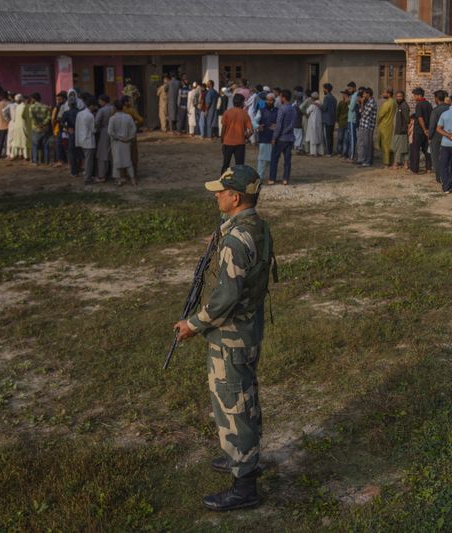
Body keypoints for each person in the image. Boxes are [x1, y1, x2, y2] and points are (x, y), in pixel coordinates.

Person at [173, 164, 275, 512]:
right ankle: (242, 453)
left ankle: (244, 484)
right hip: (250, 327)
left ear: (235, 197)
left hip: (231, 334)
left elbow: (224, 299)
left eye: (221, 191)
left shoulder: (236, 240)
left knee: (233, 402)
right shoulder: (255, 226)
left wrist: (193, 324)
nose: (216, 195)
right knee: (244, 396)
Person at [220, 94, 253, 173]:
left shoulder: (227, 112)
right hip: (240, 143)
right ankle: (239, 182)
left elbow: (223, 128)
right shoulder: (245, 114)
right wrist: (245, 137)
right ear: (242, 103)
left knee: (226, 164)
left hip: (228, 142)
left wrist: (222, 139)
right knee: (240, 165)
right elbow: (251, 131)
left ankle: (222, 181)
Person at [269, 89, 296, 186]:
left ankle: (272, 178)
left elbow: (279, 125)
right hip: (290, 137)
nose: (279, 99)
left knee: (274, 158)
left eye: (280, 97)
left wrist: (274, 137)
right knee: (287, 160)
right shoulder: (293, 109)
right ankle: (285, 179)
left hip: (281, 138)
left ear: (283, 98)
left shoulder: (282, 109)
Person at [108, 99, 137, 186]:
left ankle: (118, 180)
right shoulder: (128, 117)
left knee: (117, 161)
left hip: (116, 143)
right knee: (128, 161)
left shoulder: (112, 118)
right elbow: (134, 129)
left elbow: (110, 132)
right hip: (126, 142)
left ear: (114, 108)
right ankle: (133, 180)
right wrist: (128, 138)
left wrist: (118, 138)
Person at [409, 87, 432, 174]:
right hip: (427, 130)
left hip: (419, 130)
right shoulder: (428, 104)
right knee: (426, 150)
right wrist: (428, 129)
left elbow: (420, 118)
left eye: (415, 96)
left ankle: (414, 169)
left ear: (419, 95)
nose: (414, 97)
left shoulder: (419, 104)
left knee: (415, 149)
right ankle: (428, 168)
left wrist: (424, 129)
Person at [75, 98, 98, 185]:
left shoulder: (80, 113)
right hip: (89, 141)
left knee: (86, 160)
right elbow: (93, 130)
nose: (95, 108)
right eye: (94, 106)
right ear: (91, 106)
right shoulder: (90, 116)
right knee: (89, 161)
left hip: (81, 139)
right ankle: (87, 178)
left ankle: (87, 176)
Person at [428, 90, 449, 183]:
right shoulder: (450, 108)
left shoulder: (436, 111)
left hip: (437, 136)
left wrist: (429, 136)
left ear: (437, 98)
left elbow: (432, 125)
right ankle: (447, 175)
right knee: (447, 156)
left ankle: (439, 176)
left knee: (436, 156)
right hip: (449, 136)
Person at [256, 93, 278, 179]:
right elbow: (255, 121)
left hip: (274, 138)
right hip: (264, 137)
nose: (269, 101)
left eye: (271, 100)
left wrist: (277, 126)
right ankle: (259, 177)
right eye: (268, 100)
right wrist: (258, 126)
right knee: (262, 159)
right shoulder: (261, 110)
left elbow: (281, 122)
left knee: (272, 160)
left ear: (274, 101)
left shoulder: (278, 111)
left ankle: (271, 177)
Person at [122, 96, 144, 178]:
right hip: (131, 136)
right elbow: (140, 120)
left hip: (121, 137)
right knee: (133, 156)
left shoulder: (118, 111)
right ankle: (133, 174)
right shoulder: (131, 110)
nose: (131, 102)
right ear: (126, 102)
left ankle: (123, 174)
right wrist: (134, 123)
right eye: (129, 101)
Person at [27, 93, 52, 165]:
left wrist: (38, 124)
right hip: (45, 128)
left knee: (35, 145)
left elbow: (32, 117)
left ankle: (35, 161)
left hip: (36, 128)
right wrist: (43, 124)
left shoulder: (31, 107)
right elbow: (49, 117)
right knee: (45, 145)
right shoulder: (46, 107)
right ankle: (46, 161)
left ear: (34, 99)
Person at [95, 95, 114, 181]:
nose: (99, 103)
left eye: (100, 101)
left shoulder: (102, 110)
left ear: (103, 101)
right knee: (113, 153)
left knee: (103, 155)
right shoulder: (114, 108)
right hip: (114, 132)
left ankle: (102, 175)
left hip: (104, 132)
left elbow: (96, 122)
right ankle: (114, 174)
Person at [356, 88, 377, 167]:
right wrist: (362, 104)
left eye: (365, 94)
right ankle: (363, 159)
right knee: (363, 144)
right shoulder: (367, 102)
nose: (363, 95)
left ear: (368, 94)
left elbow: (364, 114)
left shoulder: (372, 103)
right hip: (363, 125)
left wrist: (362, 103)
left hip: (368, 126)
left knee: (367, 144)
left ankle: (367, 161)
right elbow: (360, 111)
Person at [62, 96, 81, 178]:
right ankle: (80, 169)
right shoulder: (80, 112)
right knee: (80, 152)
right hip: (80, 133)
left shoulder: (66, 113)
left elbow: (61, 123)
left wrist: (68, 128)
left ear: (68, 105)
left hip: (72, 134)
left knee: (72, 153)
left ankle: (74, 171)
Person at [391, 91, 411, 170]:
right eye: (397, 96)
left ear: (403, 97)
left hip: (401, 130)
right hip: (400, 130)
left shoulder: (404, 106)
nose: (399, 98)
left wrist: (406, 129)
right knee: (404, 148)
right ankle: (405, 164)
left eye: (400, 96)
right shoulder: (399, 105)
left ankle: (396, 164)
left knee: (398, 147)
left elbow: (407, 119)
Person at [377, 88, 396, 166]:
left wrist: (378, 122)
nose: (383, 94)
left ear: (388, 94)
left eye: (385, 92)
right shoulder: (394, 102)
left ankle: (386, 162)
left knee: (385, 145)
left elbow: (381, 114)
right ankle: (391, 161)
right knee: (390, 144)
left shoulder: (387, 103)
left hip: (384, 125)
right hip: (391, 125)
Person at [9, 94, 29, 160]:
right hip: (23, 126)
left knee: (17, 141)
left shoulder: (18, 107)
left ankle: (15, 155)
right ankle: (25, 156)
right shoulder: (24, 106)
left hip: (17, 126)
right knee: (23, 141)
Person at [305, 92, 324, 157]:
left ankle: (314, 153)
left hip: (313, 123)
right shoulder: (321, 103)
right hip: (319, 122)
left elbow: (307, 111)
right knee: (319, 136)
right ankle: (320, 152)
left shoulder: (312, 105)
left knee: (313, 137)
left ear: (313, 98)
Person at [320, 83, 337, 156]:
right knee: (331, 136)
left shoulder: (326, 97)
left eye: (324, 88)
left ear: (326, 89)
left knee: (327, 136)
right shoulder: (334, 98)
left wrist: (318, 105)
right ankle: (330, 151)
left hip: (327, 119)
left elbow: (324, 108)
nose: (323, 90)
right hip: (332, 119)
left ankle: (329, 152)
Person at [345, 82, 359, 160]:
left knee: (352, 139)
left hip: (352, 120)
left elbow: (351, 108)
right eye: (348, 89)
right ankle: (351, 155)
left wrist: (348, 102)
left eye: (350, 89)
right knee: (351, 138)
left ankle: (352, 156)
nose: (349, 90)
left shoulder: (355, 96)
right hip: (350, 119)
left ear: (354, 88)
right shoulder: (353, 96)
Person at [335, 91, 349, 157]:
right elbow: (337, 112)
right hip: (344, 123)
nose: (343, 96)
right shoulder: (342, 103)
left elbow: (337, 112)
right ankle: (342, 152)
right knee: (343, 139)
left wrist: (337, 120)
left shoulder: (344, 103)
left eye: (344, 95)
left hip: (343, 123)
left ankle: (341, 152)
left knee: (342, 139)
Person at [291, 87, 304, 154]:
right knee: (299, 135)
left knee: (296, 134)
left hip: (295, 121)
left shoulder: (294, 105)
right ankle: (298, 148)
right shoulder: (299, 105)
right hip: (298, 121)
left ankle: (297, 147)